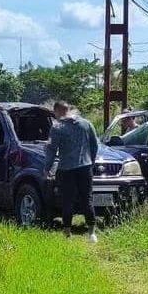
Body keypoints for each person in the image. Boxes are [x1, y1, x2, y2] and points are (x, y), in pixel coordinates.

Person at [45, 101, 100, 243]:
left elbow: (51, 149)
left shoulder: (57, 128)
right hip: (85, 167)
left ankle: (67, 233)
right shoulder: (86, 124)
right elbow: (94, 145)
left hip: (66, 169)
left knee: (67, 201)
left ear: (57, 111)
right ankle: (92, 233)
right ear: (69, 109)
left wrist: (47, 168)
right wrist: (90, 162)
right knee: (87, 199)